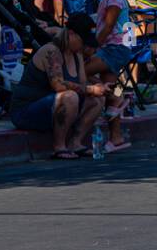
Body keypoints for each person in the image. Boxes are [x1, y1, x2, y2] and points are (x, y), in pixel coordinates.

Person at [8, 13, 106, 158]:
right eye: (82, 40)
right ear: (71, 34)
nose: (84, 45)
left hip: (53, 108)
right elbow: (58, 85)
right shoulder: (51, 51)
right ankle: (59, 146)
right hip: (26, 110)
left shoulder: (76, 53)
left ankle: (75, 142)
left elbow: (83, 85)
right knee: (70, 96)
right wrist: (91, 89)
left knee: (98, 100)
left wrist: (102, 88)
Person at [81, 0, 134, 151]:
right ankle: (116, 137)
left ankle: (120, 99)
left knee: (82, 71)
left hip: (114, 49)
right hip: (113, 48)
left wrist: (93, 47)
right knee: (109, 87)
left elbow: (109, 26)